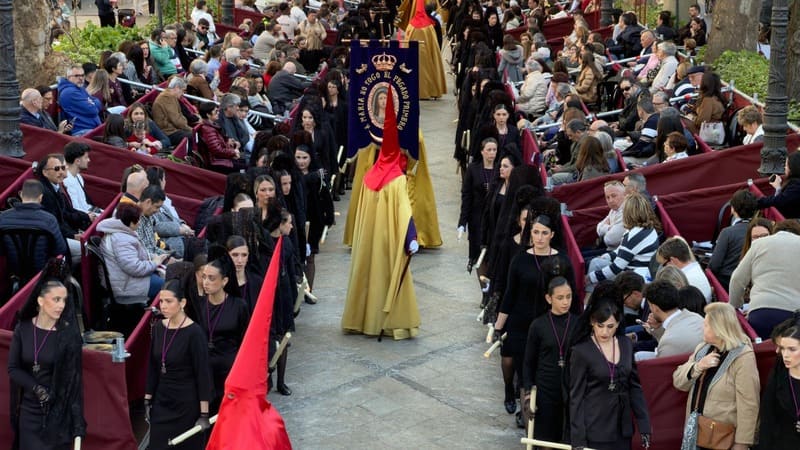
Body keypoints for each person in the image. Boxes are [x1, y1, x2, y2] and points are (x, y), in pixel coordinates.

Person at [341, 87, 420, 340]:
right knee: (385, 277)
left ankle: (362, 320)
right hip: (388, 240)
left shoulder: (368, 178)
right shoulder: (397, 179)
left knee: (366, 277)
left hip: (367, 241)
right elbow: (405, 212)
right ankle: (389, 322)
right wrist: (411, 237)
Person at [494, 214, 575, 418]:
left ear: (552, 234)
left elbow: (573, 293)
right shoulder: (520, 259)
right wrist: (498, 326)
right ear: (530, 233)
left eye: (544, 233)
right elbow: (510, 294)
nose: (539, 237)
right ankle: (524, 411)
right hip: (520, 323)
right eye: (536, 232)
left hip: (551, 323)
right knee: (524, 371)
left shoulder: (562, 260)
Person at [7, 265, 86, 449]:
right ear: (41, 300)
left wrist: (77, 429)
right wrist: (37, 389)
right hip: (29, 414)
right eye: (56, 299)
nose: (61, 305)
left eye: (64, 300)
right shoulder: (23, 329)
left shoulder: (68, 335)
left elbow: (75, 385)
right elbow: (13, 368)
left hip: (58, 417)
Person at [673, 302, 760, 450]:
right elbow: (678, 381)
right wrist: (698, 366)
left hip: (722, 439)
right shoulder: (703, 348)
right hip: (695, 434)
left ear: (719, 329)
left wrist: (742, 443)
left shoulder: (743, 356)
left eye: (706, 325)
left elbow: (749, 403)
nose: (702, 327)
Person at [569, 298, 651, 449]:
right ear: (592, 322)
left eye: (610, 326)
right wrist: (578, 440)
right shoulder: (581, 351)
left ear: (618, 324)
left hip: (623, 429)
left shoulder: (626, 344)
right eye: (600, 326)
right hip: (595, 429)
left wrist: (644, 425)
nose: (605, 332)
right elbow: (576, 398)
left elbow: (634, 387)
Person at [144, 279, 212, 450]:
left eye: (169, 301)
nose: (163, 306)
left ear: (182, 303)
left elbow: (203, 374)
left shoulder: (195, 333)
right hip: (162, 400)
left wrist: (204, 414)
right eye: (161, 301)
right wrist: (148, 398)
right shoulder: (158, 327)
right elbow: (152, 365)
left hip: (186, 404)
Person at [521, 277, 579, 443]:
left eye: (569, 297)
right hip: (545, 389)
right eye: (560, 298)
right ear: (549, 298)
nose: (565, 302)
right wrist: (527, 394)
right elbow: (528, 362)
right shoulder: (538, 325)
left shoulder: (578, 324)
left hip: (571, 388)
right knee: (545, 439)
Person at [97, 203, 170, 333]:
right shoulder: (121, 239)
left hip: (127, 280)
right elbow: (134, 268)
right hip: (126, 286)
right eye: (138, 220)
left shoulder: (121, 233)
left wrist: (153, 258)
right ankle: (158, 326)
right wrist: (155, 262)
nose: (140, 223)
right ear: (131, 222)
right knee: (168, 286)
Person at [191, 254, 250, 413]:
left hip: (230, 370)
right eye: (204, 277)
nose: (206, 282)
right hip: (206, 371)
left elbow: (245, 341)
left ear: (224, 281)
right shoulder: (199, 305)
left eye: (211, 278)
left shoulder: (239, 306)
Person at [730, 221, 800, 339]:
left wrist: (735, 305)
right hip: (793, 313)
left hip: (761, 311)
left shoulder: (758, 244)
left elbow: (737, 279)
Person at [586, 193, 660, 289]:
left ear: (628, 213)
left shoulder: (633, 235)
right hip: (639, 273)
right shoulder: (649, 229)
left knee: (595, 266)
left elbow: (616, 268)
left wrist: (589, 278)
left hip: (633, 280)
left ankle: (588, 297)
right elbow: (622, 250)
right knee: (597, 262)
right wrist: (606, 257)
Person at [0, 179, 68, 276]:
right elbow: (60, 250)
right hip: (42, 272)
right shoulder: (49, 219)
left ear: (21, 194)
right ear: (41, 197)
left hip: (14, 271)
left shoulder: (3, 217)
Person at [35, 153, 93, 264]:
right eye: (57, 169)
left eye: (62, 168)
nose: (61, 172)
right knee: (87, 249)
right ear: (45, 172)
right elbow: (53, 222)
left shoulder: (56, 186)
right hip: (53, 238)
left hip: (63, 232)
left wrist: (85, 217)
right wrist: (73, 235)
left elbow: (66, 211)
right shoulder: (45, 193)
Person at [295, 144, 334, 295]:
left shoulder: (319, 176)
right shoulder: (292, 175)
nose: (301, 161)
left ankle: (309, 291)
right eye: (298, 157)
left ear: (311, 158)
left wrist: (329, 217)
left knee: (310, 257)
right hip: (297, 221)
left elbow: (326, 197)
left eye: (304, 158)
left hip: (314, 221)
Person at [759, 314, 800, 449]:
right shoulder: (779, 368)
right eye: (782, 348)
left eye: (791, 349)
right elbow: (768, 413)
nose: (784, 354)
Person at [636, 280, 704, 360]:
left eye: (650, 306)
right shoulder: (697, 317)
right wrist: (657, 329)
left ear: (654, 307)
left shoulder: (668, 341)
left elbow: (662, 364)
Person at [459, 138, 497, 278]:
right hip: (477, 218)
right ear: (482, 152)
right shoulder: (473, 169)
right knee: (478, 254)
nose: (492, 153)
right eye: (489, 150)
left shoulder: (499, 169)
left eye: (494, 150)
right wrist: (462, 221)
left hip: (493, 219)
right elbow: (466, 195)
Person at [709, 189, 758, 290]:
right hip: (751, 282)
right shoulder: (760, 231)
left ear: (733, 209)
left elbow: (714, 265)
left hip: (726, 283)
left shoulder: (727, 233)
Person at [655, 237, 712, 303]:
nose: (663, 268)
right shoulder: (695, 267)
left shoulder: (682, 280)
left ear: (673, 260)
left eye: (664, 265)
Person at [57, 65, 102, 136]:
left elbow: (97, 101)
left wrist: (93, 103)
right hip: (82, 131)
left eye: (82, 75)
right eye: (77, 76)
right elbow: (93, 110)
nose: (81, 78)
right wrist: (93, 103)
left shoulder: (78, 88)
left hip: (91, 128)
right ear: (68, 77)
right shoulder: (70, 92)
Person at [151, 76, 193, 148]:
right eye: (183, 90)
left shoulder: (171, 96)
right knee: (192, 135)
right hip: (168, 132)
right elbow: (177, 120)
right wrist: (190, 129)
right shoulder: (166, 97)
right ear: (176, 88)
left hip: (173, 129)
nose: (183, 93)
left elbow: (179, 116)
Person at [756, 151, 800, 219]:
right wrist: (778, 187)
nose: (784, 167)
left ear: (793, 167)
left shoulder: (797, 186)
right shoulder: (795, 183)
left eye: (786, 165)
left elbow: (780, 201)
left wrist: (755, 203)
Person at [63, 142, 101, 214]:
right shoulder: (67, 181)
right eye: (86, 157)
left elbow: (84, 205)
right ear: (77, 161)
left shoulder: (78, 176)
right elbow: (76, 209)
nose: (89, 160)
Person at [595, 181, 626, 252]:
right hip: (611, 249)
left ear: (624, 195)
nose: (610, 200)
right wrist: (609, 228)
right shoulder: (614, 210)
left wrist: (604, 227)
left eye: (614, 196)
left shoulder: (626, 211)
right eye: (607, 197)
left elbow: (611, 240)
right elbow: (598, 228)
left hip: (619, 252)